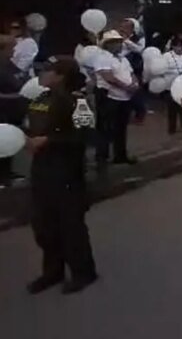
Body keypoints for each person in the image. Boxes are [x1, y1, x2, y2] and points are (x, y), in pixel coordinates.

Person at [23, 56, 98, 295]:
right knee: (43, 225)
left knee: (70, 226)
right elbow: (30, 127)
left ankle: (83, 272)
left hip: (66, 172)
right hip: (41, 170)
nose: (43, 74)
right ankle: (52, 271)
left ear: (61, 76)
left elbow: (85, 136)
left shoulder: (77, 102)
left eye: (48, 70)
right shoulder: (39, 99)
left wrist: (49, 141)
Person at [92, 30, 138, 169]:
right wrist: (126, 86)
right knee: (105, 127)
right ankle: (102, 157)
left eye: (119, 42)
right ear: (108, 44)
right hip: (108, 95)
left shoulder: (123, 59)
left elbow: (131, 73)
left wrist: (134, 84)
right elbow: (108, 77)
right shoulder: (102, 57)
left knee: (121, 127)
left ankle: (120, 155)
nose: (119, 44)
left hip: (124, 97)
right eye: (116, 42)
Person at [0, 34, 28, 188]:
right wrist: (17, 95)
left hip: (13, 111)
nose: (14, 51)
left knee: (10, 141)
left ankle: (8, 172)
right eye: (11, 48)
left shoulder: (10, 65)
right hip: (2, 110)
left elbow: (20, 79)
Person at [163, 35, 182, 135]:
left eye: (181, 46)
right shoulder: (167, 56)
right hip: (171, 85)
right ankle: (172, 128)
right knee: (172, 108)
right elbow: (163, 69)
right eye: (177, 46)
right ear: (173, 46)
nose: (179, 48)